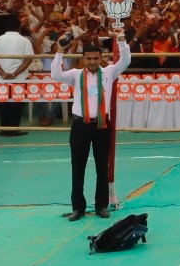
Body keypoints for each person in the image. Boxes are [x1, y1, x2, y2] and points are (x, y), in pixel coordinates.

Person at [48, 32, 132, 220]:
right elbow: (55, 74)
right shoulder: (75, 75)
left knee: (102, 166)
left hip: (102, 125)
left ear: (101, 58)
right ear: (83, 59)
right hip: (80, 126)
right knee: (77, 167)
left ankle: (101, 206)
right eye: (89, 58)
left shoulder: (110, 72)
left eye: (96, 58)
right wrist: (60, 52)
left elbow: (126, 61)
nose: (93, 62)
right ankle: (78, 208)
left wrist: (121, 40)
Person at [0, 21, 36, 136]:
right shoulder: (25, 41)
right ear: (19, 29)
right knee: (17, 104)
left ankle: (4, 129)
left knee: (3, 102)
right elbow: (28, 60)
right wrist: (14, 74)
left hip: (2, 77)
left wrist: (3, 73)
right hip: (19, 77)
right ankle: (13, 129)